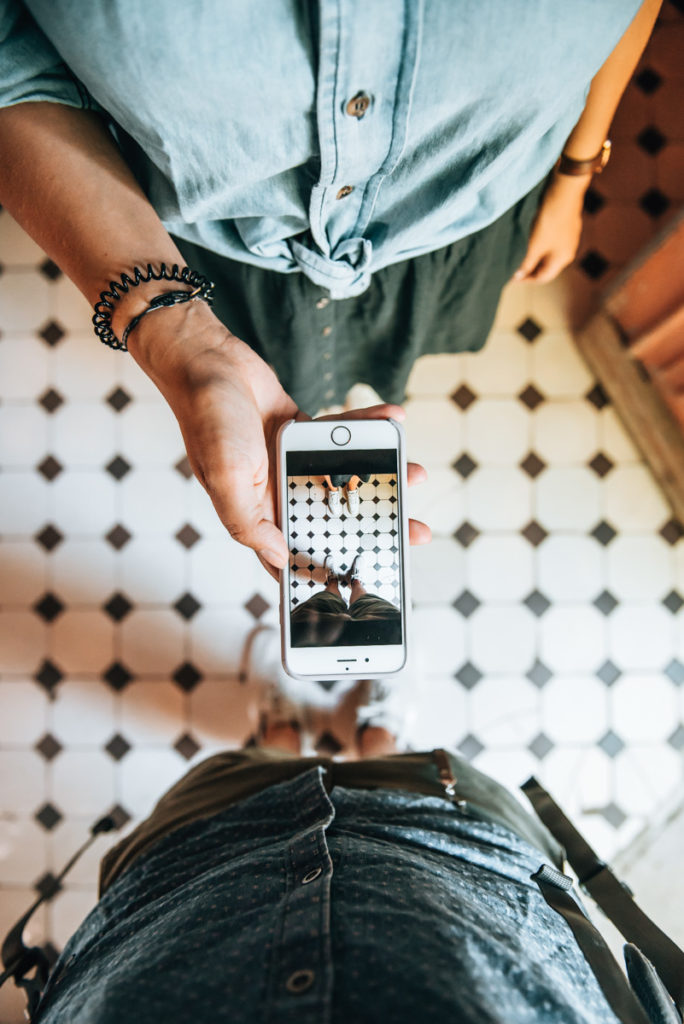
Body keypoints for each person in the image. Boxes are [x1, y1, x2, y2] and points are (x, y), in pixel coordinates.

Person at [0, 0, 661, 573]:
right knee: (293, 384)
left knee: (366, 372)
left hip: (458, 229)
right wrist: (179, 334)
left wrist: (576, 172)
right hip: (209, 248)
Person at [5, 628, 681, 1023]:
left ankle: (278, 734)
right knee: (395, 765)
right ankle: (375, 738)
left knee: (239, 768)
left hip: (194, 857)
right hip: (459, 841)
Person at [290, 552, 401, 646]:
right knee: (366, 602)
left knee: (326, 602)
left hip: (315, 636)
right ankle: (354, 581)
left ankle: (333, 581)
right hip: (383, 632)